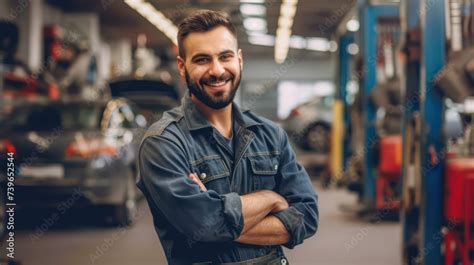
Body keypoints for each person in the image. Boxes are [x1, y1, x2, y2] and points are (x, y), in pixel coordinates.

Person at [137, 9, 319, 265]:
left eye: (225, 57)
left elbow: (307, 216)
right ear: (182, 66)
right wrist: (271, 199)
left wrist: (218, 220)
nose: (217, 70)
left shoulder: (270, 135)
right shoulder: (163, 143)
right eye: (202, 60)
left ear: (239, 60)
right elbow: (204, 225)